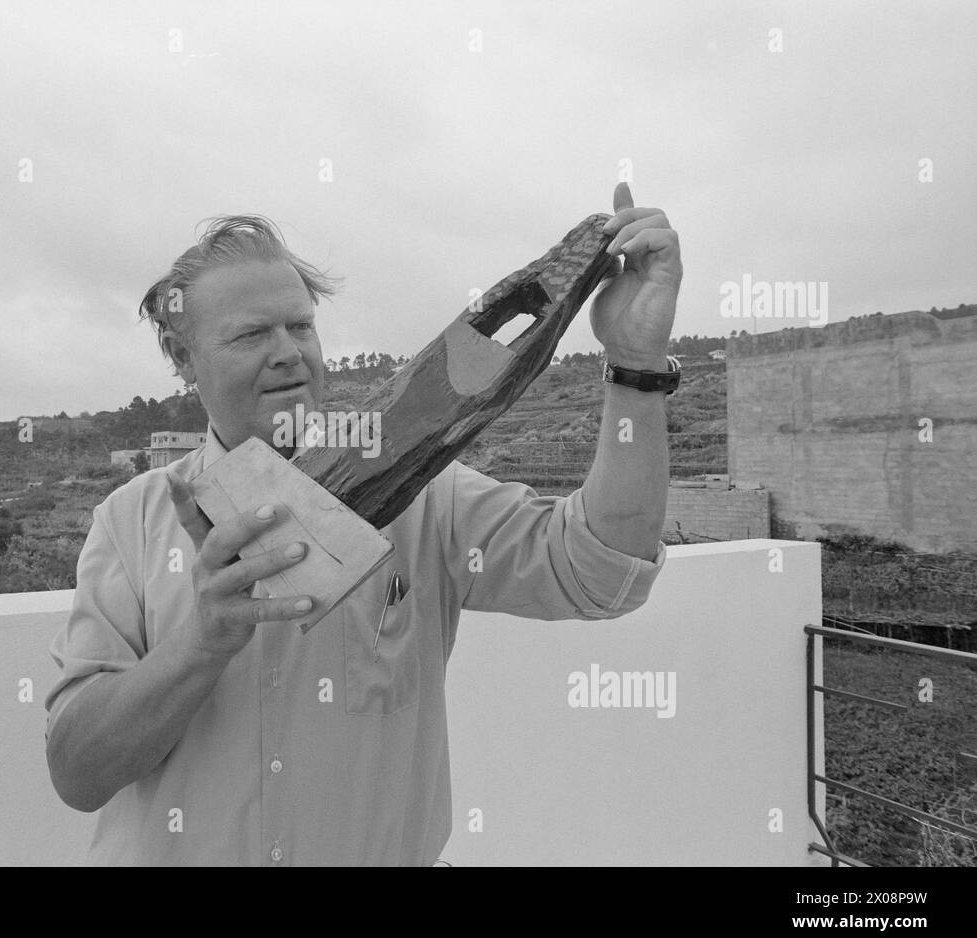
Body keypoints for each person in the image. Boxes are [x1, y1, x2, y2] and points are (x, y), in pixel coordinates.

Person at [45, 184, 682, 865]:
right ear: (183, 361)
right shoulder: (128, 523)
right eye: (253, 334)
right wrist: (203, 641)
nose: (289, 351)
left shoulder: (429, 495)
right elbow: (78, 773)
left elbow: (602, 573)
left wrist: (636, 368)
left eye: (301, 326)